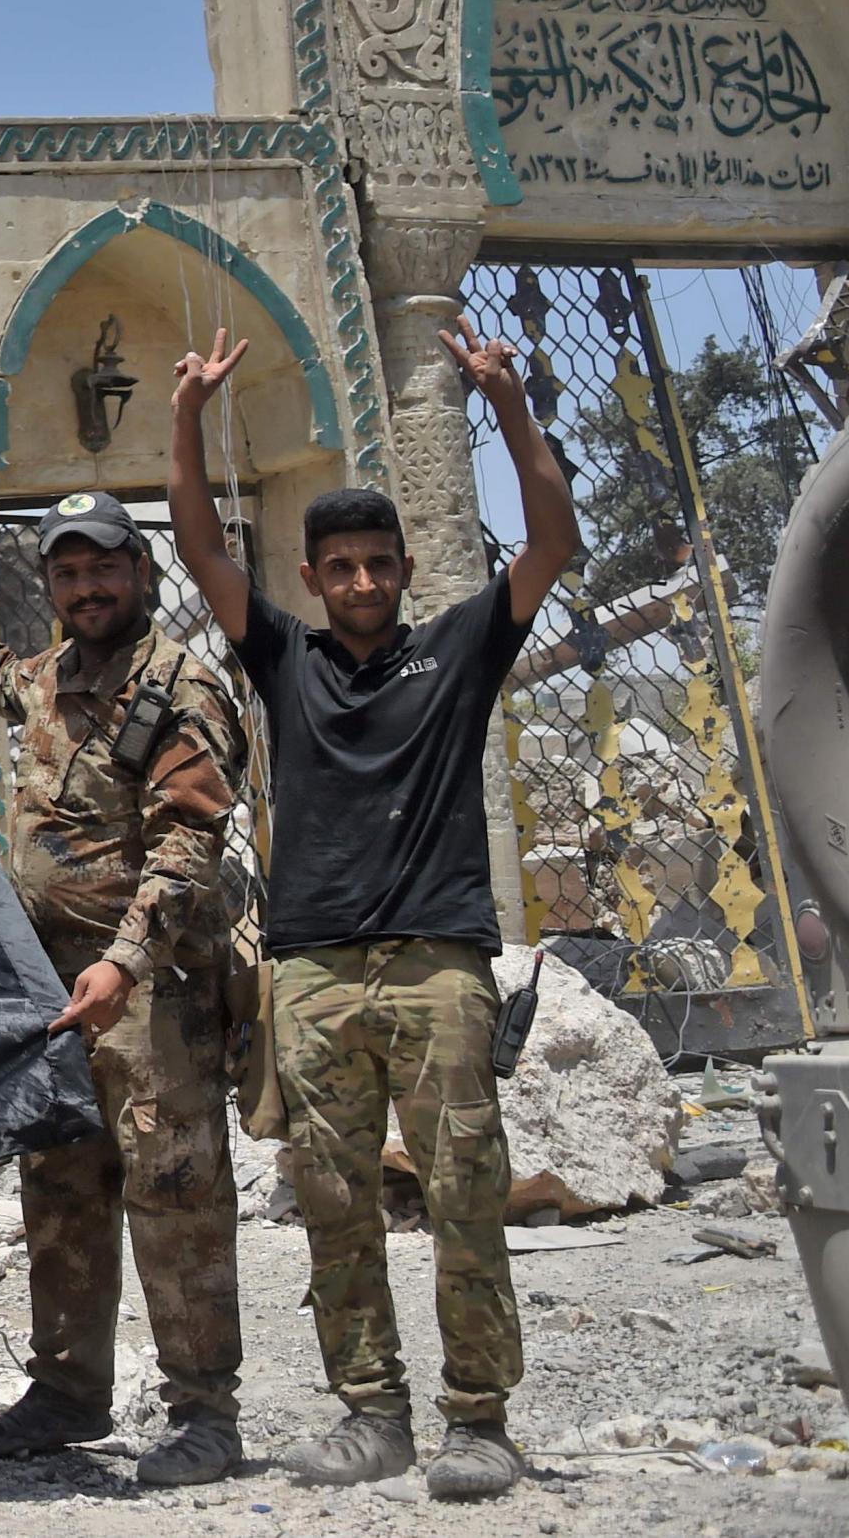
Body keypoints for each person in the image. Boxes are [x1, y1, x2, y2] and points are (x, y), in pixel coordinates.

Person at [165, 321, 580, 1501]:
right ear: (311, 579)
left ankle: (479, 1420)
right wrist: (190, 417)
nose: (358, 583)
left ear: (403, 572)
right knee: (334, 1205)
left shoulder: (457, 650)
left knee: (461, 1194)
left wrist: (505, 401)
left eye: (376, 565)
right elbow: (197, 549)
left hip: (438, 966)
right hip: (313, 974)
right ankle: (370, 1413)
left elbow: (552, 539)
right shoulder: (284, 661)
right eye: (337, 567)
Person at [0, 503, 248, 1486]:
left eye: (103, 570)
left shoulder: (180, 686)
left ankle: (206, 1412)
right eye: (68, 574)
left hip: (149, 991)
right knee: (62, 1191)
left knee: (174, 1199)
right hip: (58, 995)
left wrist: (123, 958)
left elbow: (189, 844)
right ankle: (66, 1393)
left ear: (141, 570)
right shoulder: (53, 678)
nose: (86, 588)